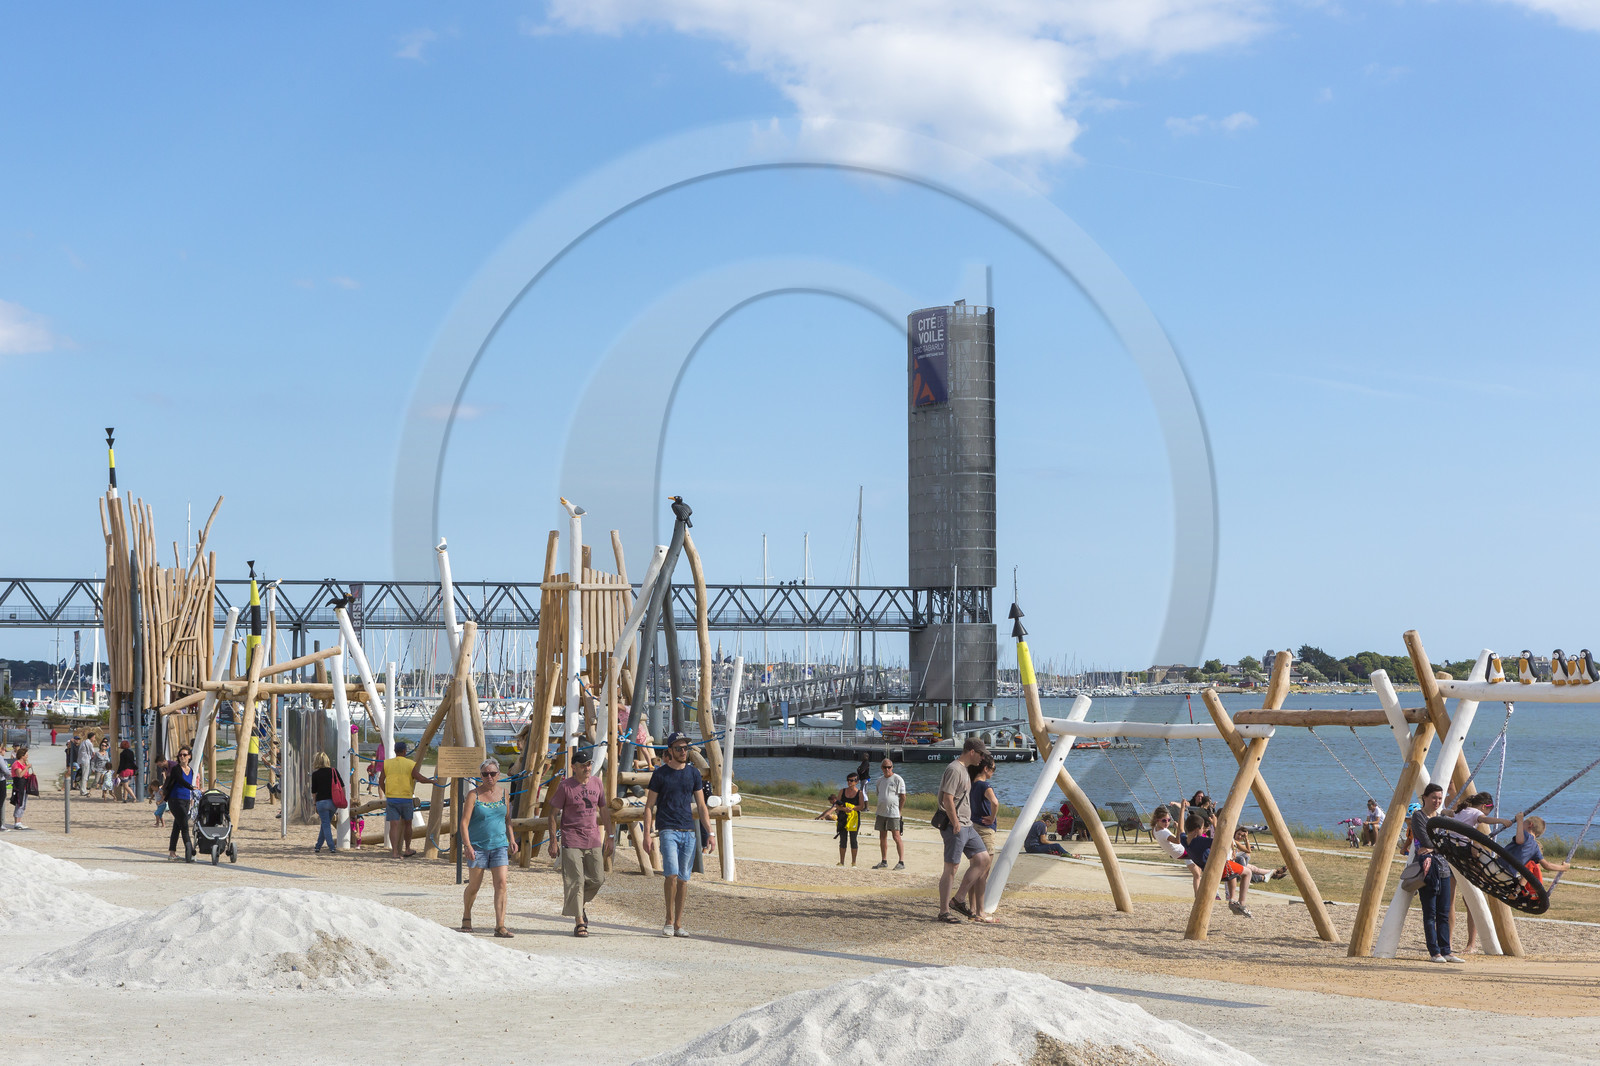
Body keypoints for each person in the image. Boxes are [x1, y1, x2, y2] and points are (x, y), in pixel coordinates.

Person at [643, 731, 714, 938]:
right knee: (671, 874)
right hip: (668, 830)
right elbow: (648, 807)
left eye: (686, 748)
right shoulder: (660, 774)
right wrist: (647, 834)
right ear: (670, 751)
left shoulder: (693, 774)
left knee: (683, 879)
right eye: (679, 749)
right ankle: (668, 919)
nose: (683, 752)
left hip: (689, 831)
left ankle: (679, 923)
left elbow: (701, 806)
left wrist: (710, 833)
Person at [547, 749, 612, 937]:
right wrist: (553, 842)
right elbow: (552, 815)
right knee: (575, 881)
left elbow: (604, 809)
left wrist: (611, 836)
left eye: (589, 764)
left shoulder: (597, 783)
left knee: (598, 879)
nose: (587, 768)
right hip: (571, 839)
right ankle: (579, 922)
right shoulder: (565, 787)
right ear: (574, 767)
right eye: (583, 765)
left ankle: (578, 903)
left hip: (593, 840)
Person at [936, 737, 994, 925]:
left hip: (967, 824)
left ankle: (959, 899)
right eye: (981, 755)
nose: (982, 760)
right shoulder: (954, 769)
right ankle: (944, 911)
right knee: (951, 868)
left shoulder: (965, 770)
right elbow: (947, 799)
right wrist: (955, 822)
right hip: (957, 825)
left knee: (983, 859)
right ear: (972, 752)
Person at [461, 756, 520, 937]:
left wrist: (511, 838)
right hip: (478, 846)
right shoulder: (473, 795)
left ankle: (500, 925)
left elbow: (507, 819)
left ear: (498, 774)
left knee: (501, 883)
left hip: (499, 845)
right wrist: (468, 845)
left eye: (493, 773)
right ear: (480, 776)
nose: (489, 777)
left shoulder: (504, 793)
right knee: (474, 886)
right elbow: (464, 822)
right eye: (485, 774)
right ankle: (466, 915)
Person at [1410, 783, 1462, 963]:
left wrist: (1435, 847)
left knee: (1444, 911)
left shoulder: (1441, 818)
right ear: (1424, 797)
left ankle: (1446, 950)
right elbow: (1426, 840)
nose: (1437, 801)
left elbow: (1446, 844)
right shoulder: (1419, 817)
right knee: (1430, 911)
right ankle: (1435, 952)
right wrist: (1438, 846)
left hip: (1444, 869)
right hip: (1427, 869)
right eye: (1433, 797)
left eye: (1440, 798)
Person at [383, 740, 437, 858]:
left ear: (395, 751)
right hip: (406, 797)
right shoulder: (409, 764)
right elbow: (420, 778)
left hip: (392, 798)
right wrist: (432, 781)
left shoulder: (387, 763)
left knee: (394, 825)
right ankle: (407, 849)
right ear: (405, 751)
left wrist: (386, 792)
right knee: (408, 824)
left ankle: (395, 852)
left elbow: (381, 781)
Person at [872, 757, 908, 870]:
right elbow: (879, 794)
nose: (887, 769)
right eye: (885, 767)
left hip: (893, 813)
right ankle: (884, 860)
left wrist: (899, 810)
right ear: (881, 768)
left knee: (896, 836)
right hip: (881, 812)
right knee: (882, 836)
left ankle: (901, 862)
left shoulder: (898, 779)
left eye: (889, 767)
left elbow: (903, 797)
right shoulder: (879, 781)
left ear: (892, 767)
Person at [162, 746, 196, 861]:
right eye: (180, 755)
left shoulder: (191, 770)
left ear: (189, 757)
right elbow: (181, 781)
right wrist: (192, 787)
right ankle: (190, 852)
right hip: (175, 800)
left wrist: (192, 797)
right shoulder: (176, 769)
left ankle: (172, 853)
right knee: (184, 826)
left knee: (177, 826)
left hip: (186, 800)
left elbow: (188, 785)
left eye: (184, 755)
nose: (182, 757)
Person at [834, 772, 868, 866]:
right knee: (843, 839)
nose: (850, 782)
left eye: (852, 780)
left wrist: (852, 808)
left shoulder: (859, 793)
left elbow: (861, 806)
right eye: (848, 780)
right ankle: (841, 862)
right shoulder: (842, 791)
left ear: (856, 782)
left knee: (853, 839)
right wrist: (843, 809)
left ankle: (853, 862)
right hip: (843, 818)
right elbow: (837, 804)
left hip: (854, 818)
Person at [310, 751, 340, 855]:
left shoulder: (315, 774)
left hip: (321, 802)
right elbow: (342, 786)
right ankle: (318, 846)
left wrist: (314, 804)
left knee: (325, 824)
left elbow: (314, 792)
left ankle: (331, 846)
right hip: (333, 802)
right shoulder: (333, 771)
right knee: (325, 823)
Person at [969, 757, 998, 854]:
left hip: (973, 825)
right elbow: (995, 803)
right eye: (993, 769)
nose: (993, 772)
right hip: (985, 829)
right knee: (986, 865)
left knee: (977, 863)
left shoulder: (971, 784)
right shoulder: (985, 786)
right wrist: (992, 817)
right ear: (986, 769)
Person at [8, 747, 31, 830]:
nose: (27, 756)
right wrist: (27, 768)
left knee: (23, 804)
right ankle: (17, 822)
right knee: (19, 803)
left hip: (24, 786)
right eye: (26, 755)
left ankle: (19, 821)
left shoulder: (23, 764)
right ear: (22, 756)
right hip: (19, 786)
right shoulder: (17, 764)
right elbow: (19, 775)